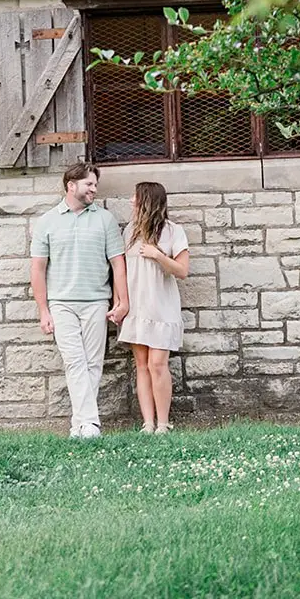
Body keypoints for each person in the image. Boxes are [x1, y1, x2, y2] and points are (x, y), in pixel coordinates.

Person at [29, 163, 129, 439]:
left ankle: (81, 425)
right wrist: (43, 310)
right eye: (89, 184)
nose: (94, 189)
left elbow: (118, 265)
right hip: (61, 303)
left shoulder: (105, 219)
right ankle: (90, 423)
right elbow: (37, 269)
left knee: (93, 363)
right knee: (74, 361)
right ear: (71, 186)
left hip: (97, 301)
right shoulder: (47, 221)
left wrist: (122, 301)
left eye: (95, 185)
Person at [116, 181, 189, 434]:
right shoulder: (130, 232)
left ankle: (163, 423)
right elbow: (121, 271)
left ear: (146, 200)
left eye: (134, 197)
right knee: (142, 365)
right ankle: (147, 423)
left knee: (158, 364)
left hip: (161, 306)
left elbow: (182, 271)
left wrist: (158, 255)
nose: (130, 202)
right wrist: (120, 303)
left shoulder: (172, 231)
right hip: (137, 307)